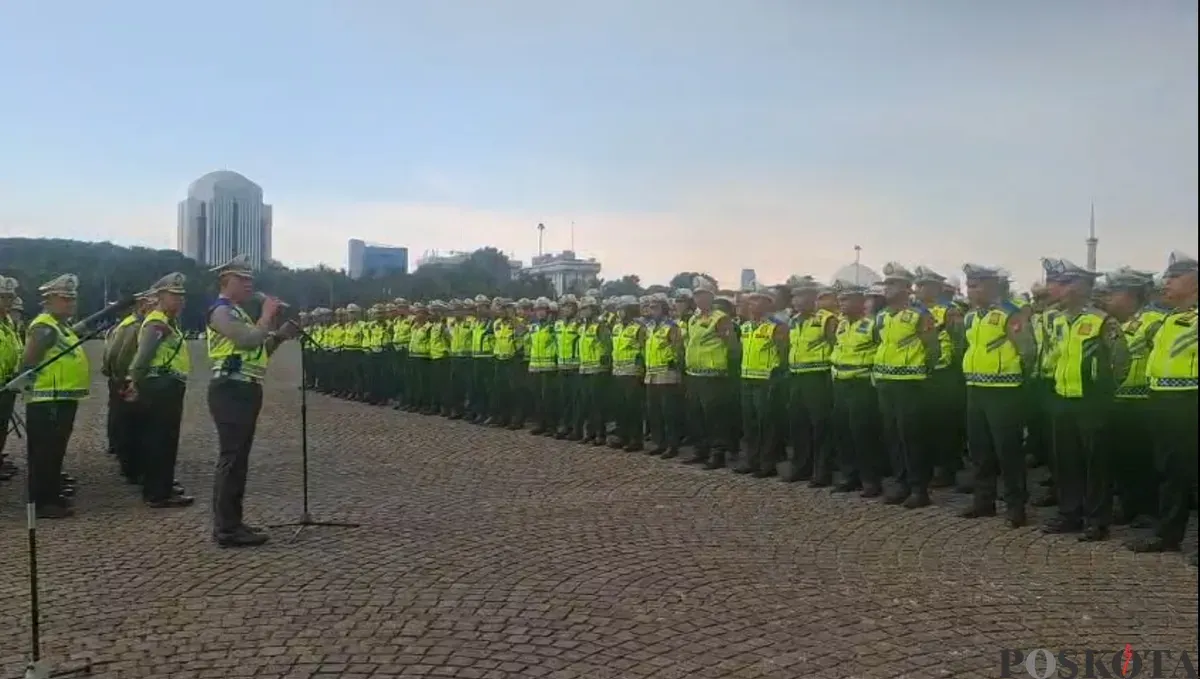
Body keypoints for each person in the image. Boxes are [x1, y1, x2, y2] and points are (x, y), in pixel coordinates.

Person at [206, 255, 293, 547]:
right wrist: (267, 315)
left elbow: (259, 350)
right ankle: (226, 528)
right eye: (242, 280)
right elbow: (246, 340)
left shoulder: (239, 313)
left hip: (246, 388)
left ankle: (233, 521)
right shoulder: (221, 312)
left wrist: (278, 336)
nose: (248, 285)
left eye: (250, 281)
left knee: (239, 459)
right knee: (231, 459)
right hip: (230, 389)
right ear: (225, 282)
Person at [15, 274, 91, 518]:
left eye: (72, 299)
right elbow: (29, 361)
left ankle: (51, 493)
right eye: (64, 299)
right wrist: (26, 387)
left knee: (55, 450)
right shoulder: (44, 327)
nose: (70, 304)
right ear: (48, 300)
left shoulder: (60, 327)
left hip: (61, 397)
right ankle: (43, 502)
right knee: (45, 452)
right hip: (48, 398)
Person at [126, 272, 195, 508]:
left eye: (181, 296)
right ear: (159, 297)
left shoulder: (166, 322)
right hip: (160, 386)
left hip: (167, 386)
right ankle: (157, 492)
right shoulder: (157, 322)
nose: (179, 300)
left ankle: (161, 486)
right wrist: (134, 382)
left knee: (164, 439)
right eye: (173, 296)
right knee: (160, 440)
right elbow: (143, 357)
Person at [0, 276, 22, 481]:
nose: (7, 302)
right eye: (3, 297)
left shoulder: (8, 323)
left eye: (9, 297)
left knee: (1, 427)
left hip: (7, 385)